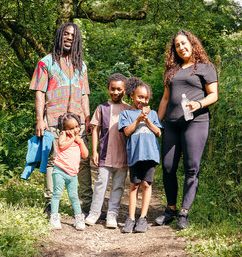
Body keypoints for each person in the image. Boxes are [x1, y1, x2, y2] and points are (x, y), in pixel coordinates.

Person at [155, 30, 218, 230]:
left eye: (184, 43)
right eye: (177, 45)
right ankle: (171, 209)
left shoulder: (206, 68)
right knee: (167, 167)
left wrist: (198, 104)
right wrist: (156, 123)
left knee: (191, 167)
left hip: (196, 122)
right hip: (171, 124)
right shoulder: (171, 70)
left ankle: (184, 212)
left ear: (192, 43)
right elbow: (165, 99)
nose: (181, 48)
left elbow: (214, 95)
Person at [29, 23, 92, 214]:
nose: (69, 38)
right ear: (59, 36)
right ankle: (50, 203)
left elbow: (84, 95)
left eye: (73, 36)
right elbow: (39, 92)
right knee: (52, 161)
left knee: (83, 162)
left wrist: (88, 120)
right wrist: (40, 119)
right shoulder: (45, 62)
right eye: (66, 34)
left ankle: (86, 205)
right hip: (54, 122)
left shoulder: (81, 65)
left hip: (78, 123)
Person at [85, 73, 131, 229]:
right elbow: (95, 130)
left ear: (125, 90)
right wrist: (95, 151)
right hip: (105, 154)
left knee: (118, 185)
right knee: (100, 184)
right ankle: (94, 212)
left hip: (122, 155)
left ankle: (112, 214)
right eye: (113, 89)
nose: (116, 92)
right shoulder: (102, 108)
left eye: (119, 89)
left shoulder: (129, 109)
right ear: (108, 88)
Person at [118, 77, 163, 233]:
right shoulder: (126, 114)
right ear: (132, 95)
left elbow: (158, 132)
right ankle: (130, 218)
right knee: (134, 185)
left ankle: (142, 218)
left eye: (146, 98)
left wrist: (148, 120)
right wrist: (138, 120)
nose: (143, 101)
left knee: (146, 184)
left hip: (150, 154)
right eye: (140, 97)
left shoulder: (153, 114)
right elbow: (127, 131)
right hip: (135, 155)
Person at [50, 113, 89, 230]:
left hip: (72, 174)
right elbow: (61, 146)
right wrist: (72, 138)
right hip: (60, 171)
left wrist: (81, 142)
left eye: (77, 126)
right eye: (71, 128)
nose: (75, 130)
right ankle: (54, 217)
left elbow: (85, 155)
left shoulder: (79, 139)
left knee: (74, 196)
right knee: (57, 194)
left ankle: (79, 217)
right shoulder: (63, 135)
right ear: (64, 129)